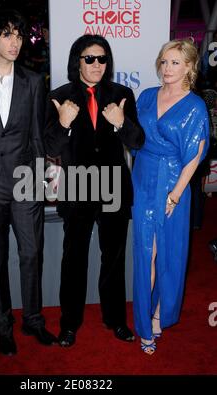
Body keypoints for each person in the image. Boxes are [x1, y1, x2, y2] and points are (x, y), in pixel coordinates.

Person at [0, 9, 57, 356]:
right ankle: (3, 326)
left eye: (18, 36)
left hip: (25, 181)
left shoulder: (34, 81)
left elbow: (36, 135)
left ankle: (33, 320)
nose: (15, 42)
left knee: (31, 253)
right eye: (7, 35)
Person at [44, 34, 145, 347]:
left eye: (102, 59)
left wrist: (120, 123)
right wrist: (63, 123)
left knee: (113, 258)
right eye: (90, 58)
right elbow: (49, 145)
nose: (97, 64)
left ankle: (115, 320)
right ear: (78, 61)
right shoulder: (59, 96)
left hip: (114, 187)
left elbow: (137, 142)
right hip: (77, 188)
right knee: (73, 259)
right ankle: (69, 324)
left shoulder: (122, 94)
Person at [132, 39, 210, 355]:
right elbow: (134, 137)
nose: (167, 68)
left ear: (190, 67)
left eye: (175, 62)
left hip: (174, 182)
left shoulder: (195, 106)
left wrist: (175, 194)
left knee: (169, 251)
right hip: (143, 177)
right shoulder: (147, 96)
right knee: (144, 252)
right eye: (164, 61)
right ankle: (143, 320)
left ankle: (158, 314)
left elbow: (195, 154)